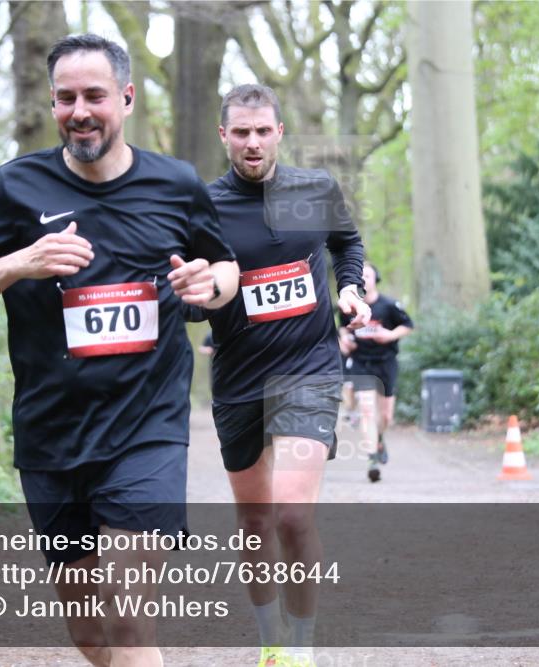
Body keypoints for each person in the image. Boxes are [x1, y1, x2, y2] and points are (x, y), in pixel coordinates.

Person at [0, 34, 238, 667]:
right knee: (91, 634)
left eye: (95, 96)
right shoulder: (15, 187)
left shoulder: (176, 184)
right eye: (66, 98)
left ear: (125, 98)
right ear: (52, 104)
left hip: (145, 428)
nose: (80, 111)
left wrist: (209, 284)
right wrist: (24, 261)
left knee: (128, 621)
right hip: (52, 434)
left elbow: (225, 268)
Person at [196, 84, 371, 667]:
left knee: (293, 514)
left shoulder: (314, 189)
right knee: (254, 523)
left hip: (309, 369)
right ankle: (271, 639)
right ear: (224, 136)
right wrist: (197, 299)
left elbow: (347, 244)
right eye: (240, 132)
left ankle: (302, 648)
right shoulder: (203, 207)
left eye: (262, 131)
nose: (252, 142)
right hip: (240, 377)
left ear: (279, 134)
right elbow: (192, 300)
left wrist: (349, 287)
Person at [339, 262, 414, 482]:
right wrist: (345, 339)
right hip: (362, 362)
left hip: (386, 362)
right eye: (359, 276)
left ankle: (379, 437)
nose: (363, 279)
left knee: (385, 416)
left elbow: (408, 325)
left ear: (375, 279)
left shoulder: (389, 305)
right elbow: (343, 328)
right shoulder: (350, 306)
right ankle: (372, 457)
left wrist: (389, 336)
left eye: (368, 275)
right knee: (367, 410)